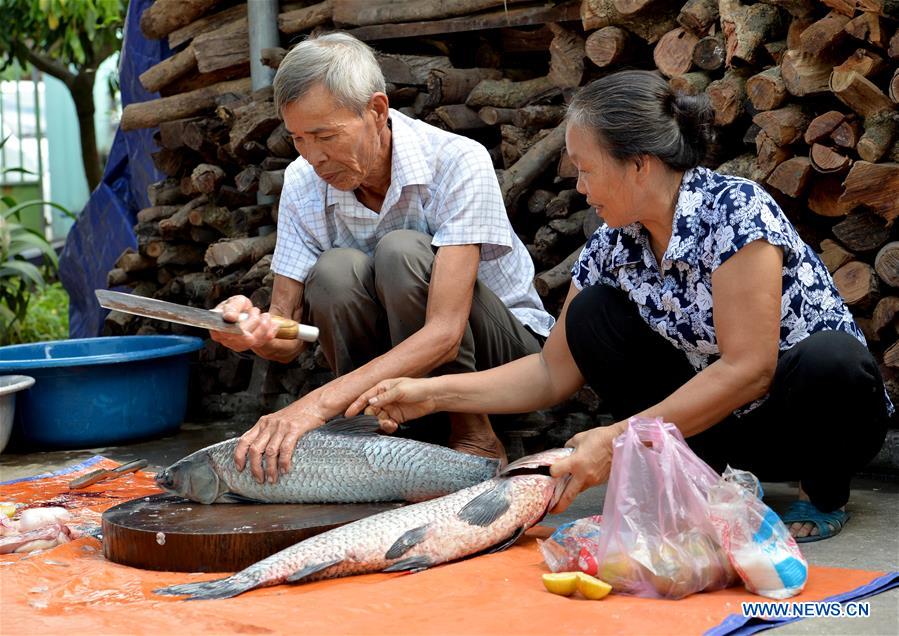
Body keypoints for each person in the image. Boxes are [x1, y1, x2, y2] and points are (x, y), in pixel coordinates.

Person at [350, 70, 892, 543]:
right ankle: (691, 481)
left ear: (639, 165)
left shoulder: (735, 212)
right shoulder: (613, 244)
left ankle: (823, 496)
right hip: (713, 430)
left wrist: (616, 439)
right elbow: (549, 370)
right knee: (593, 316)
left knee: (831, 359)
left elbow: (749, 369)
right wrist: (429, 393)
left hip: (809, 425)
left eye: (587, 170)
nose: (581, 187)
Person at [211, 32, 554, 484]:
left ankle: (473, 435)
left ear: (376, 111)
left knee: (402, 252)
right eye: (297, 140)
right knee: (334, 272)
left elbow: (446, 334)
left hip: (502, 362)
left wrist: (315, 406)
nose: (313, 156)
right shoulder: (301, 181)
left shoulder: (456, 161)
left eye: (325, 136)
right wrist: (251, 333)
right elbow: (287, 332)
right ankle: (374, 433)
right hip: (392, 379)